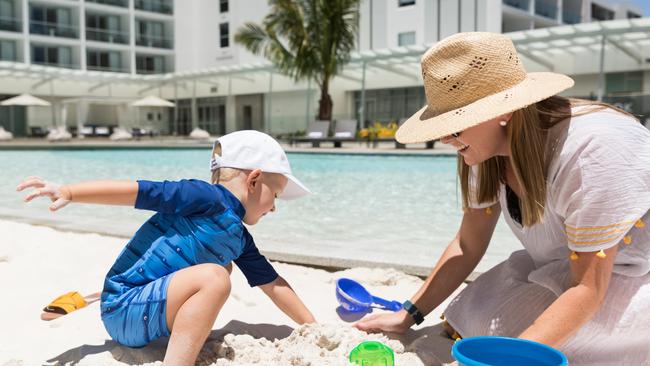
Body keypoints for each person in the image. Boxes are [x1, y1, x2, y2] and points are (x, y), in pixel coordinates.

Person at [355, 32, 650, 365]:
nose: (444, 138)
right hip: (566, 270)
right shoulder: (485, 149)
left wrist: (509, 357)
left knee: (507, 333)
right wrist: (408, 314)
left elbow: (588, 287)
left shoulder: (592, 150)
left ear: (504, 111)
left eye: (455, 125)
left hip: (630, 276)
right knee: (476, 312)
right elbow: (468, 244)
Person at [16, 130, 316, 365]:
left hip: (146, 314)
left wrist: (313, 327)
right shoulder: (203, 197)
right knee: (215, 276)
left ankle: (102, 297)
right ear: (254, 180)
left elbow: (273, 284)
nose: (274, 207)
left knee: (220, 268)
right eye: (275, 194)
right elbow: (141, 192)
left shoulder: (238, 237)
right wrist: (69, 191)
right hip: (124, 308)